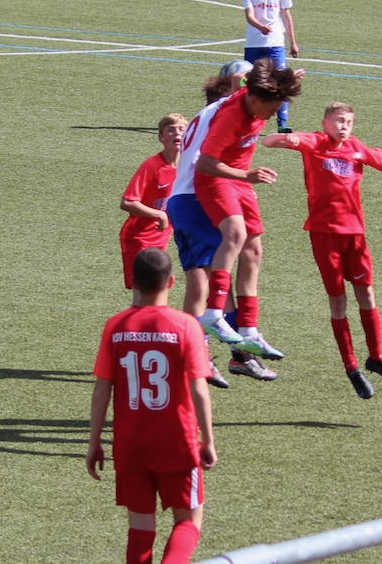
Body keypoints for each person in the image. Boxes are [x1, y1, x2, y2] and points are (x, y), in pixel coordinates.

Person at [262, 102, 382, 399]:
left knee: (366, 294)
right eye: (339, 121)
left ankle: (377, 358)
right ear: (325, 123)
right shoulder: (314, 142)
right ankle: (351, 367)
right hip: (324, 234)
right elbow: (268, 142)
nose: (344, 126)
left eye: (349, 122)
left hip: (355, 234)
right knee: (338, 301)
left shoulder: (356, 148)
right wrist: (285, 138)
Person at [87, 248, 217, 564]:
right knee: (188, 522)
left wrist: (94, 442)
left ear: (133, 283)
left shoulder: (116, 326)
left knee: (140, 531)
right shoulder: (186, 326)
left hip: (130, 444)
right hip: (177, 442)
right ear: (171, 282)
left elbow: (102, 390)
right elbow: (199, 390)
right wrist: (209, 440)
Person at [167, 60, 278, 383]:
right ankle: (197, 357)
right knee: (202, 280)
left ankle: (239, 351)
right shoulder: (225, 113)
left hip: (198, 196)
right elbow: (207, 162)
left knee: (227, 266)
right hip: (192, 198)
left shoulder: (219, 111)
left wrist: (281, 79)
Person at [194, 58, 302, 363]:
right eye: (272, 109)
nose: (274, 115)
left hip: (240, 180)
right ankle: (213, 313)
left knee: (254, 251)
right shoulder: (231, 117)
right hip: (217, 179)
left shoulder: (253, 93)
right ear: (254, 100)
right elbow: (204, 163)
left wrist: (284, 77)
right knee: (236, 233)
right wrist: (247, 175)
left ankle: (249, 330)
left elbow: (242, 76)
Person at [120, 113, 188, 306]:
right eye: (171, 130)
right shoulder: (152, 166)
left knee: (158, 293)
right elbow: (127, 202)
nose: (177, 133)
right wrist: (158, 214)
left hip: (161, 238)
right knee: (143, 296)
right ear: (161, 137)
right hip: (138, 238)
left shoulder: (187, 166)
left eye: (182, 129)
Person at [242, 0, 299, 133]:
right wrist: (261, 27)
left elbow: (286, 15)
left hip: (275, 43)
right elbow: (249, 16)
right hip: (254, 43)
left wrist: (293, 42)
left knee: (280, 82)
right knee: (249, 83)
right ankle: (246, 122)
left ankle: (282, 122)